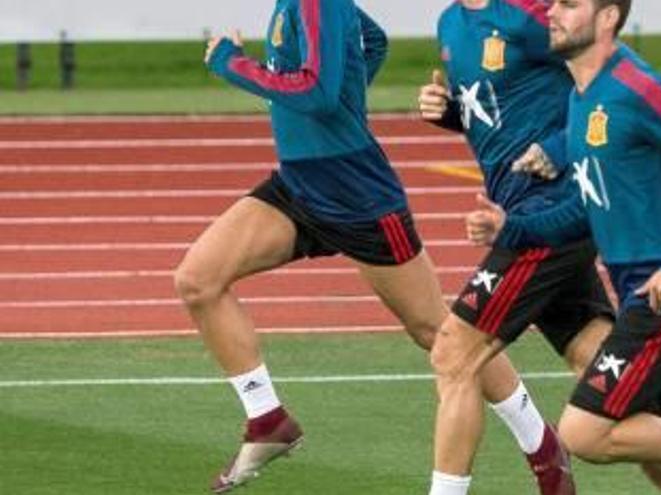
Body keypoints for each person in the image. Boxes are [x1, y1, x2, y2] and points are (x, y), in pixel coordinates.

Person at [420, 1, 661, 495]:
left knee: (465, 358)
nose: (553, 13)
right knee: (651, 443)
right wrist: (509, 224)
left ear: (607, 17)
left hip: (656, 288)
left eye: (568, 5)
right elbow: (571, 186)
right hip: (592, 257)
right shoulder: (572, 90)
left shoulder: (623, 82)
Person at [184, 2, 574, 493]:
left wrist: (232, 65)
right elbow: (374, 42)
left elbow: (318, 93)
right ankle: (268, 419)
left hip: (356, 193)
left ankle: (542, 446)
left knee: (440, 330)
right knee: (198, 279)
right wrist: (340, 100)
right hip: (299, 185)